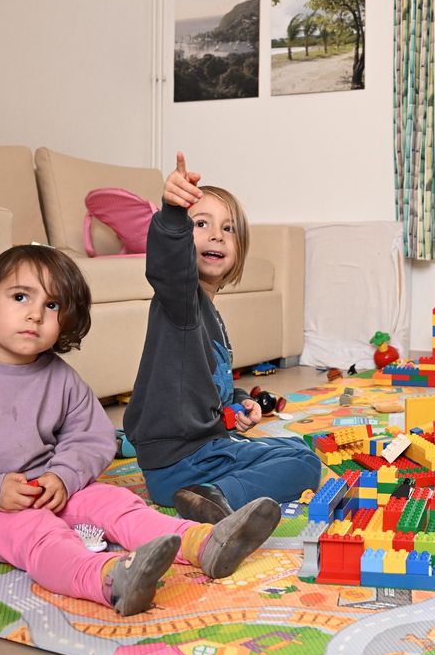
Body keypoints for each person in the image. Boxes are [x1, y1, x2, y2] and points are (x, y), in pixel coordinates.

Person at [0, 245, 282, 617]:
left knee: (113, 502)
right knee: (36, 531)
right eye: (20, 297)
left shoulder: (59, 377)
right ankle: (109, 579)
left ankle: (202, 543)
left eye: (52, 305)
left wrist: (63, 475)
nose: (35, 314)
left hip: (47, 487)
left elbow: (92, 437)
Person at [122, 153, 322, 523]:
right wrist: (171, 213)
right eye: (201, 223)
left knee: (295, 447)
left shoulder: (210, 315)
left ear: (239, 248)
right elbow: (167, 264)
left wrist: (241, 403)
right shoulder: (181, 301)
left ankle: (214, 490)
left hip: (199, 453)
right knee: (305, 463)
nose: (217, 234)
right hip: (184, 464)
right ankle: (219, 497)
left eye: (228, 229)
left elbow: (209, 386)